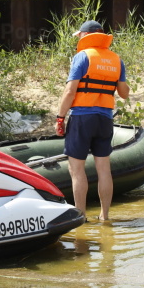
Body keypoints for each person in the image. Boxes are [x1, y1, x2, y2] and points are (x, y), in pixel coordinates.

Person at [55, 20, 130, 221]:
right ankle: (105, 216)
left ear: (85, 36)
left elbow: (70, 91)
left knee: (76, 169)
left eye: (79, 35)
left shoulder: (82, 57)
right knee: (104, 169)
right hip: (104, 118)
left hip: (81, 117)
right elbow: (124, 93)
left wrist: (60, 117)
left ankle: (81, 216)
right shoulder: (116, 59)